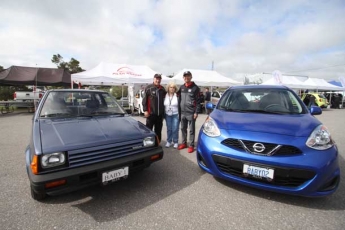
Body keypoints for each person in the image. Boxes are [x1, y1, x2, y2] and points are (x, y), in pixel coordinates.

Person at [177, 71, 201, 153]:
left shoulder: (195, 88)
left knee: (191, 130)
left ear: (191, 77)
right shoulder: (182, 87)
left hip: (191, 113)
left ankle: (191, 145)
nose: (186, 78)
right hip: (183, 113)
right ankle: (184, 143)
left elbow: (198, 102)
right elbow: (178, 98)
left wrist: (196, 112)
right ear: (183, 78)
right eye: (185, 76)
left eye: (188, 76)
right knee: (183, 129)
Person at [142, 73, 167, 142]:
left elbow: (166, 99)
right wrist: (145, 110)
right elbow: (144, 100)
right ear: (154, 79)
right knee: (148, 130)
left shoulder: (162, 89)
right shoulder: (148, 88)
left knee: (158, 130)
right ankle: (148, 143)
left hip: (160, 115)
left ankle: (157, 143)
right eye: (156, 79)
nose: (158, 80)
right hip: (151, 114)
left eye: (159, 79)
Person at [164, 82, 179, 148]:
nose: (172, 89)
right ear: (168, 88)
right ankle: (169, 141)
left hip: (175, 114)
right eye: (171, 87)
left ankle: (175, 142)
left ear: (175, 89)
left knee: (175, 129)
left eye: (173, 87)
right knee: (169, 128)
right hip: (167, 114)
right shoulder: (165, 95)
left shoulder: (177, 95)